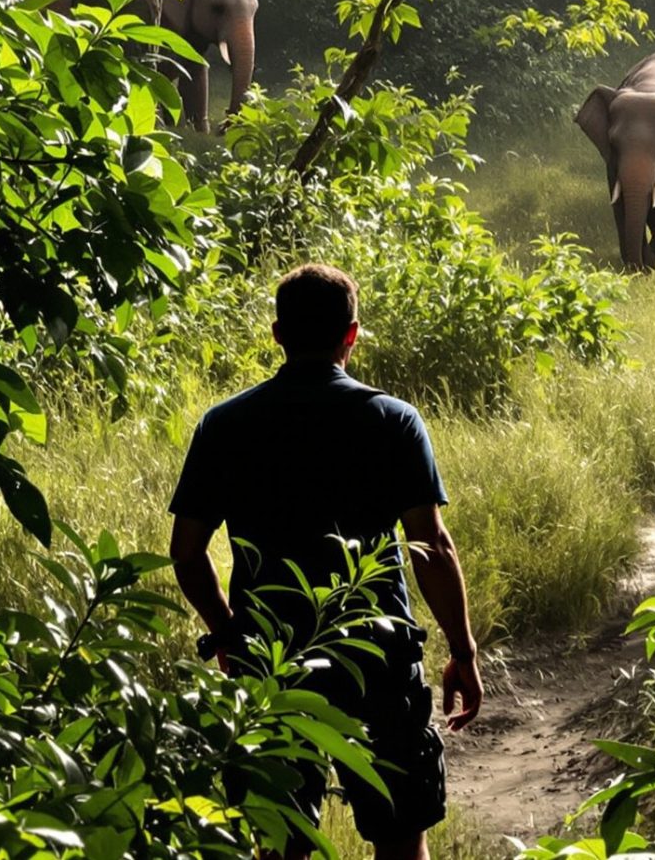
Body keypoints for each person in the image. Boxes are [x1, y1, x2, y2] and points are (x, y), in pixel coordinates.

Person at [169, 263, 482, 860]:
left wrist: (228, 631)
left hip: (274, 657)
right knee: (398, 831)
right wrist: (462, 652)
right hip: (378, 657)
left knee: (281, 837)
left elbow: (186, 552)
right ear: (353, 334)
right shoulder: (392, 420)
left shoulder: (226, 424)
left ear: (277, 335)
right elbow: (432, 548)